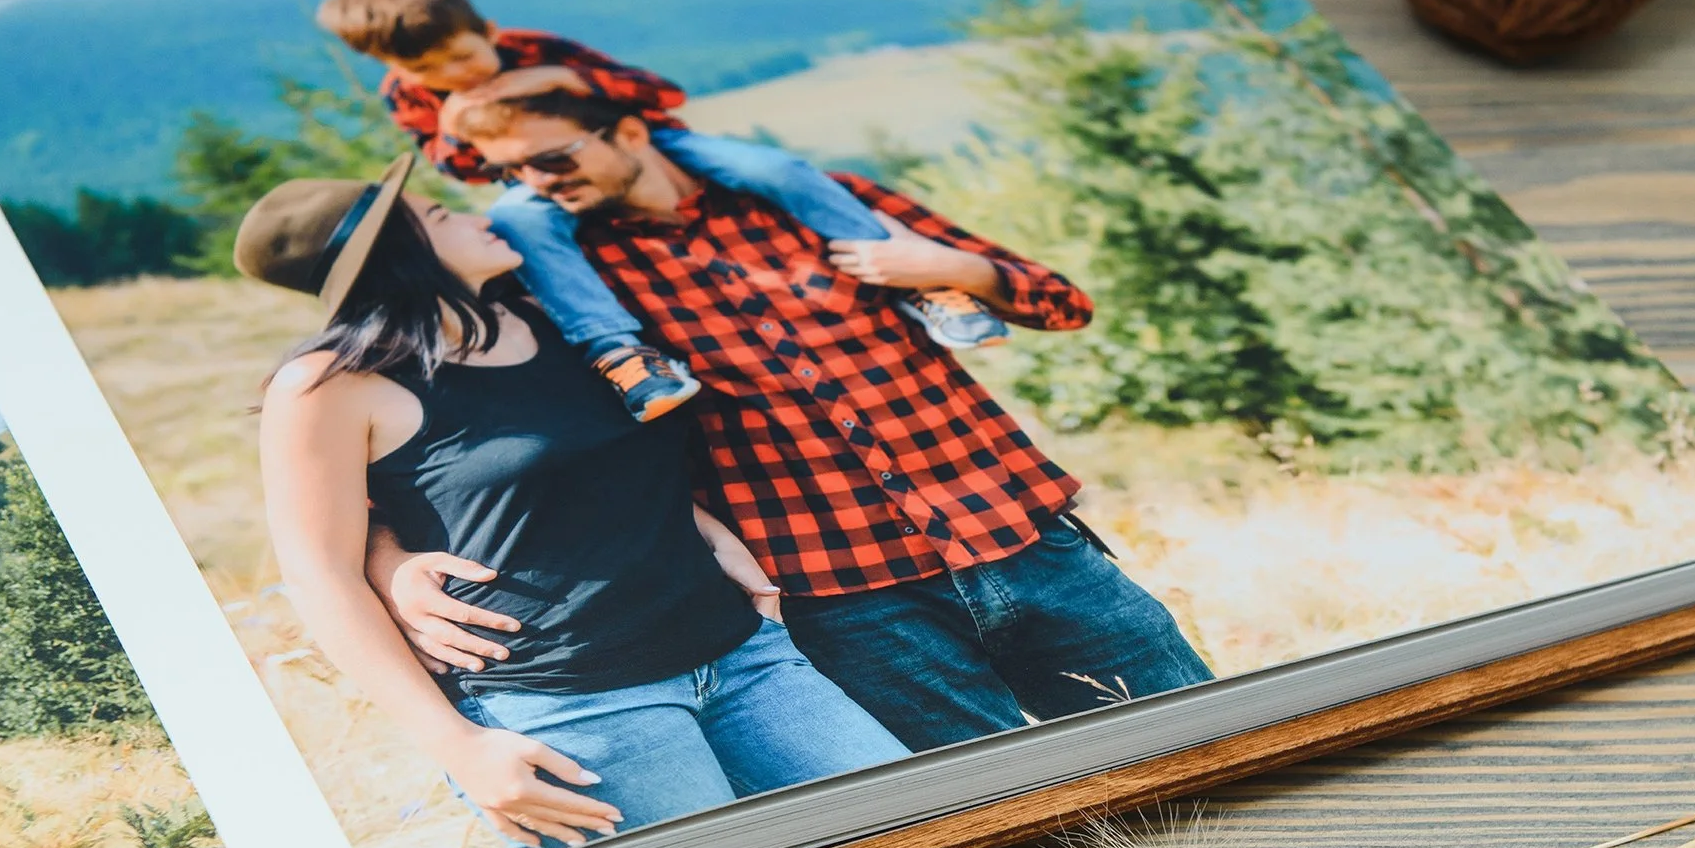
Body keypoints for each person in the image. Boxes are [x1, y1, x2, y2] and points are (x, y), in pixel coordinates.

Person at [382, 72, 1213, 754]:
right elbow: (451, 425)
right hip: (844, 599)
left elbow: (1060, 302)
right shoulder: (560, 287)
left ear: (629, 132)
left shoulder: (818, 201)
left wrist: (954, 267)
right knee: (1006, 812)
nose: (537, 187)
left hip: (1029, 541)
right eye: (513, 175)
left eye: (554, 160)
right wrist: (393, 562)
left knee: (1203, 743)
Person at [243, 153, 907, 848]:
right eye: (441, 216)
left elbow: (603, 468)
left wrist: (705, 528)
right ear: (397, 255)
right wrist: (458, 744)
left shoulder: (555, 318)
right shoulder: (328, 386)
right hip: (570, 705)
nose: (474, 217)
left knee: (919, 832)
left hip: (745, 657)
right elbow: (322, 574)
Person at [316, 0, 1010, 424]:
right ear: (393, 68)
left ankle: (917, 284)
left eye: (462, 58)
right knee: (519, 223)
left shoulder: (539, 49)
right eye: (425, 69)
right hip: (535, 181)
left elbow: (661, 97)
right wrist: (455, 122)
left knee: (771, 167)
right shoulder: (413, 100)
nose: (451, 76)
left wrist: (560, 79)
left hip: (652, 144)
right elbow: (464, 166)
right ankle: (622, 353)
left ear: (491, 32)